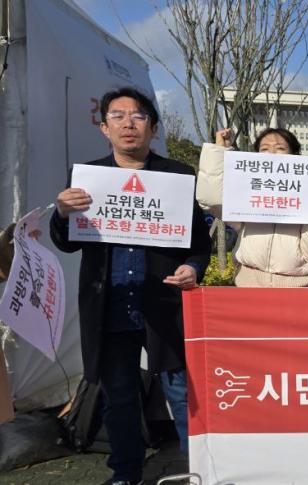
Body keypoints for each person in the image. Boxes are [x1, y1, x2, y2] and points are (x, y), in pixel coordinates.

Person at [49, 87, 211, 485]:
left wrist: (192, 267)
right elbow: (67, 243)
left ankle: (201, 471)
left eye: (138, 116)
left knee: (184, 394)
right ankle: (126, 473)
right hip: (110, 306)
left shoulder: (177, 176)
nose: (128, 124)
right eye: (118, 116)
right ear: (104, 128)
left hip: (164, 304)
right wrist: (62, 214)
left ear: (152, 128)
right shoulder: (87, 179)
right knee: (119, 397)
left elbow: (198, 243)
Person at [195, 127, 308, 287]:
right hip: (248, 286)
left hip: (299, 289)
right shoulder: (245, 192)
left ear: (295, 155)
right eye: (264, 149)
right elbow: (211, 199)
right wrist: (219, 151)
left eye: (280, 148)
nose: (271, 153)